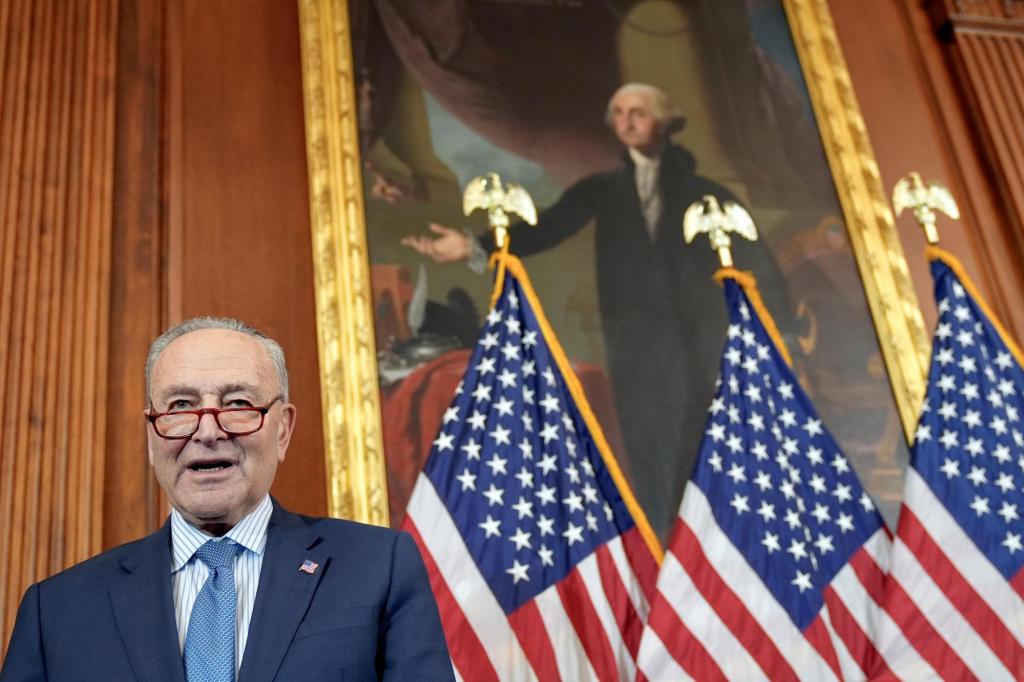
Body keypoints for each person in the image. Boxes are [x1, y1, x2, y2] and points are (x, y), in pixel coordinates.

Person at [403, 83, 789, 539]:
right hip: (635, 346)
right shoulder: (603, 190)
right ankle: (665, 543)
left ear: (664, 122)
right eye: (619, 113)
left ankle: (716, 545)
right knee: (648, 443)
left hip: (701, 342)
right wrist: (473, 245)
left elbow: (757, 265)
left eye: (639, 112)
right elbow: (549, 227)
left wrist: (787, 328)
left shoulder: (708, 194)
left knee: (708, 439)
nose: (626, 122)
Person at [1, 317, 454, 682]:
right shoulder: (57, 611)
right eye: (180, 406)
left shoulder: (380, 567)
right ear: (151, 434)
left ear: (282, 429)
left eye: (237, 403)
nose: (208, 430)